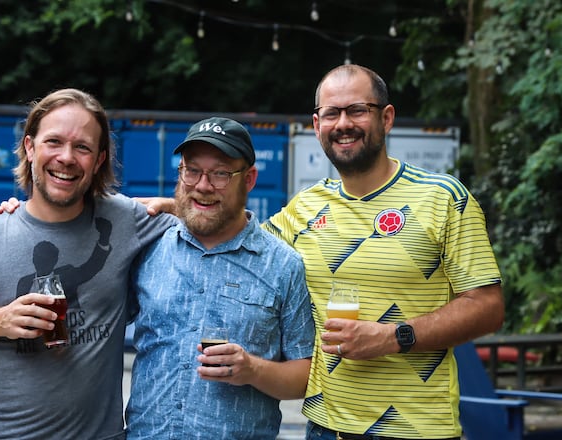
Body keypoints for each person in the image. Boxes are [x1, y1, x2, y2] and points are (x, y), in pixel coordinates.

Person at [142, 65, 504, 440]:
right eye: (332, 113)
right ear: (317, 125)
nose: (343, 123)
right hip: (325, 428)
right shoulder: (307, 208)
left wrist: (394, 337)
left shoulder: (443, 198)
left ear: (387, 117)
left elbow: (488, 307)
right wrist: (184, 203)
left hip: (416, 428)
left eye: (357, 110)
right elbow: (239, 235)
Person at [0, 88, 177, 440]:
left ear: (99, 160)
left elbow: (214, 218)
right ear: (30, 147)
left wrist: (171, 205)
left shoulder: (123, 219)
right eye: (53, 141)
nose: (66, 157)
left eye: (82, 147)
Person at [124, 117, 315, 440]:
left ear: (250, 179)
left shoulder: (283, 265)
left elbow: (306, 375)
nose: (203, 185)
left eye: (221, 174)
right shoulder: (148, 244)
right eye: (192, 170)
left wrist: (253, 370)